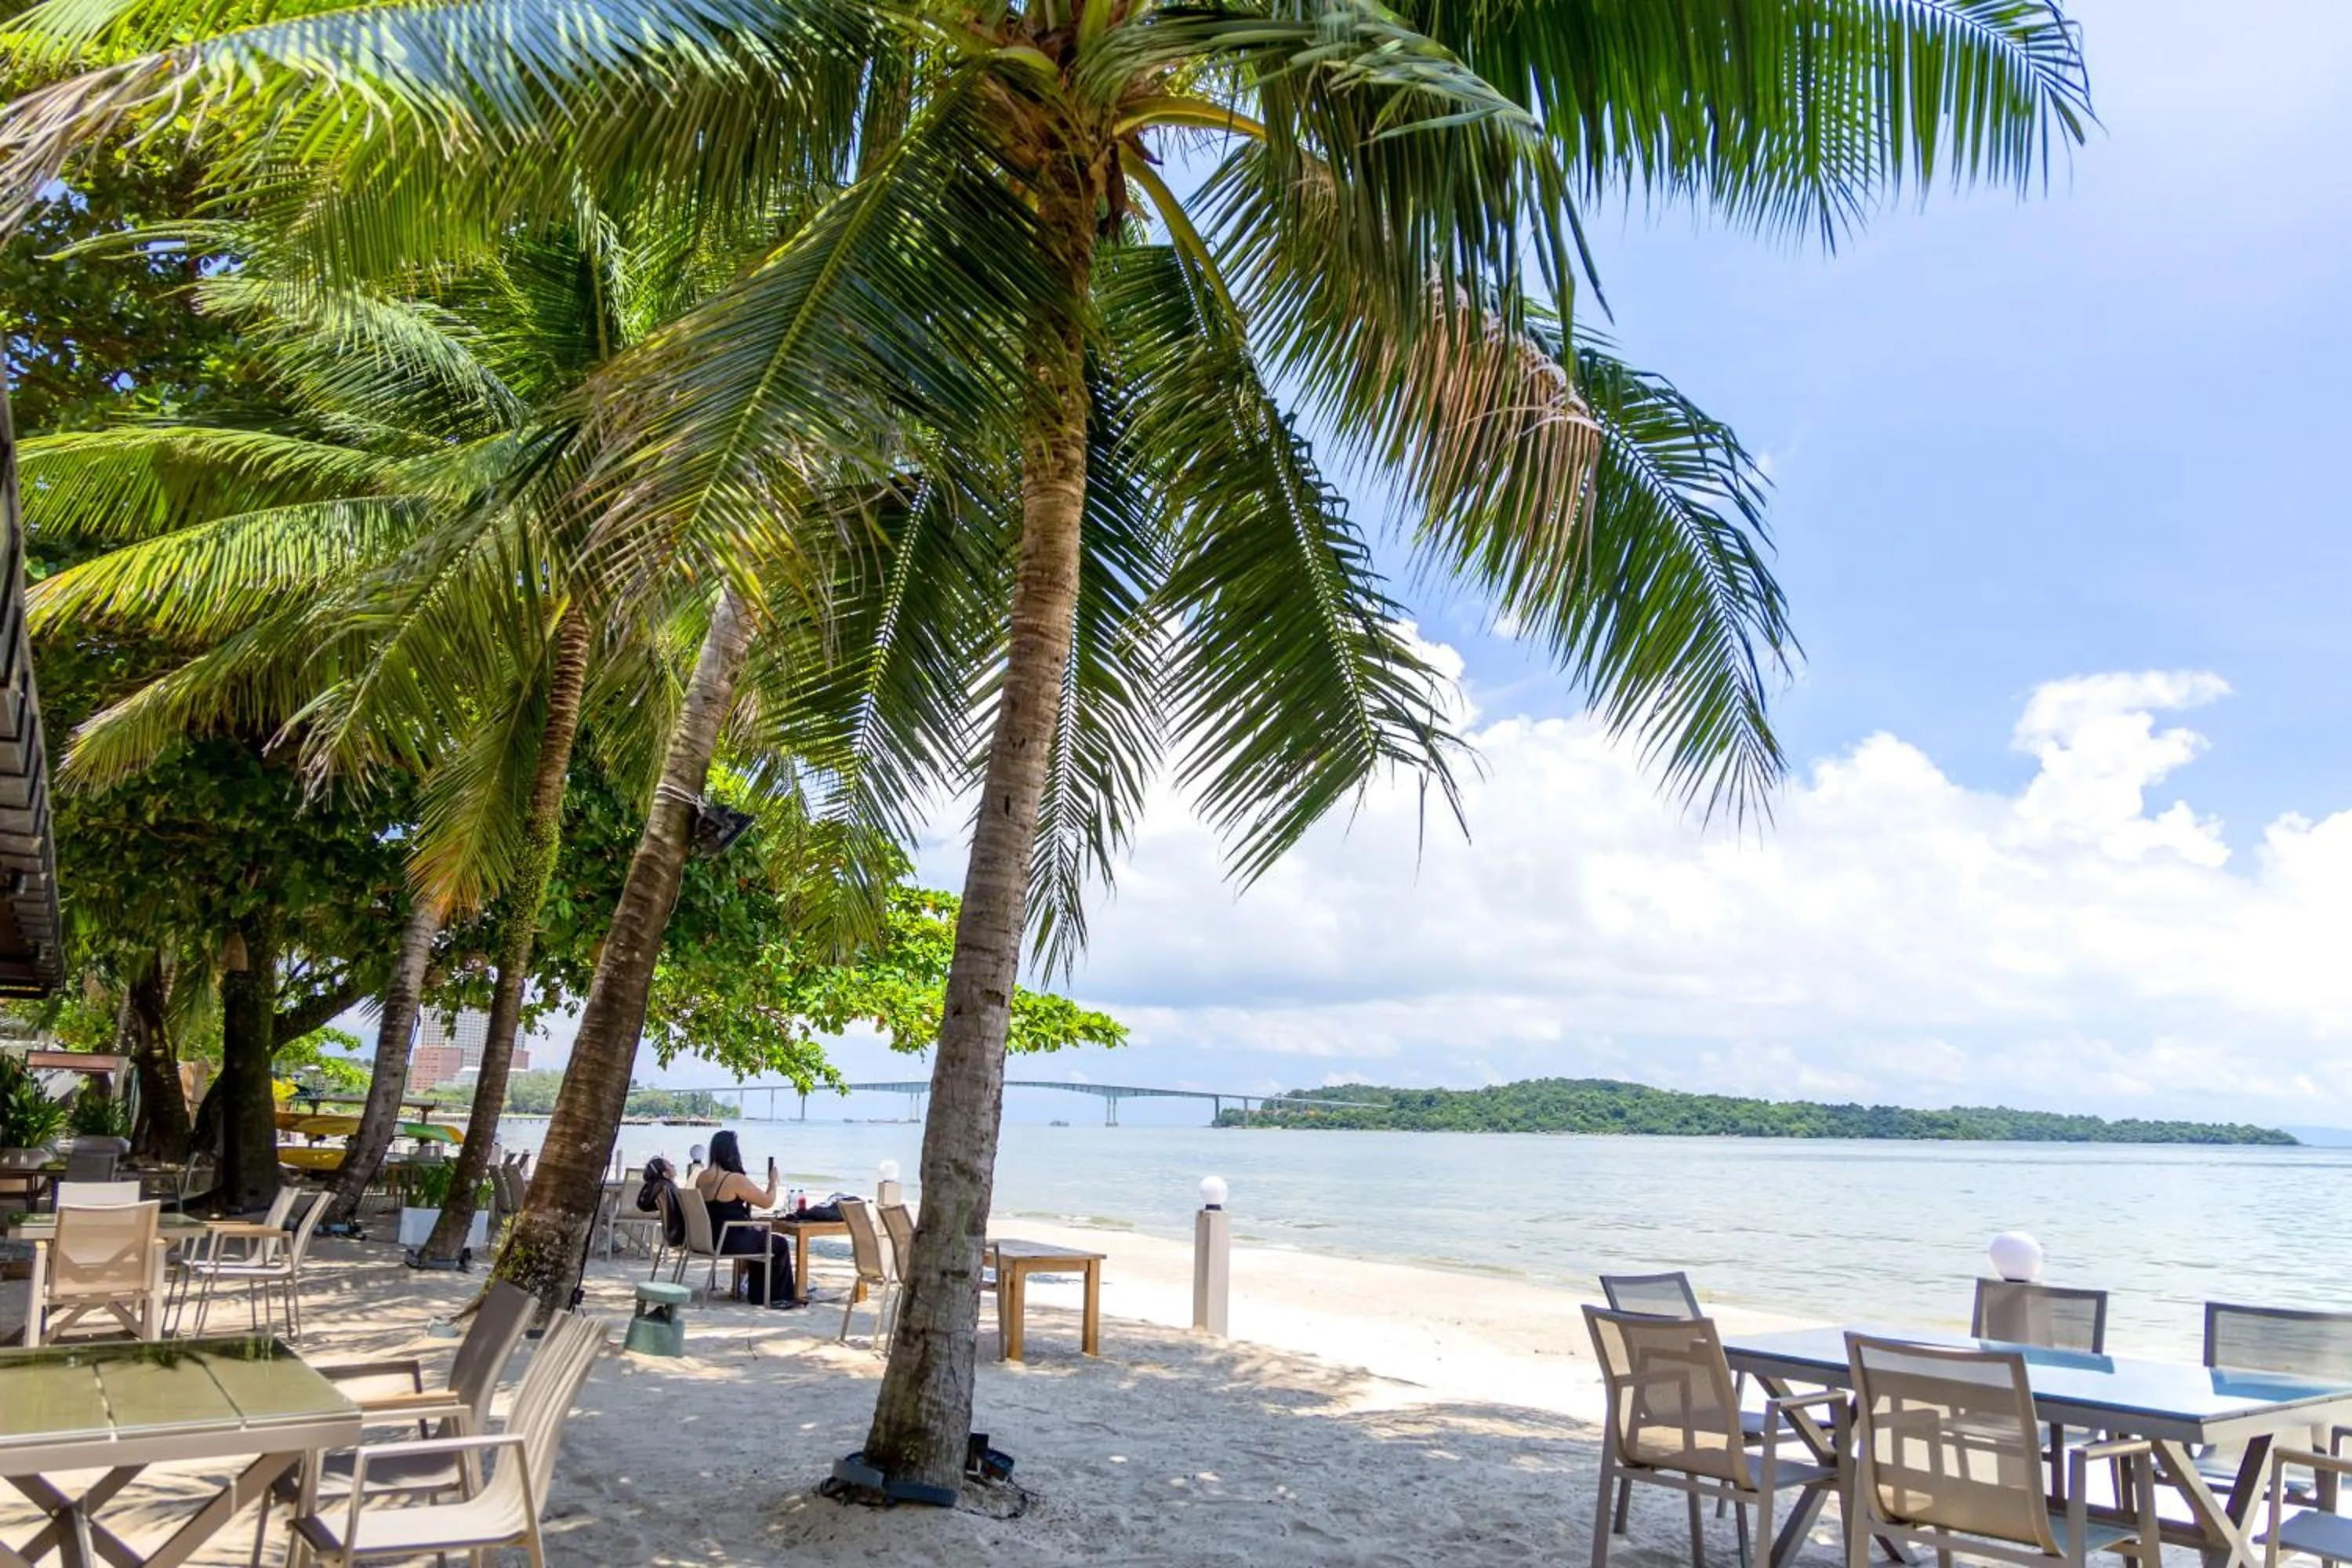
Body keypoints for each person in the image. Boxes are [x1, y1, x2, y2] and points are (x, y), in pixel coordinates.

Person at [693, 1131, 797, 1307]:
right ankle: (778, 1297)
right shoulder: (734, 1179)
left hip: (710, 1238)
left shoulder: (702, 1177)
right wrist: (773, 1182)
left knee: (761, 1237)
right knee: (778, 1244)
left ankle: (759, 1294)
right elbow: (767, 1202)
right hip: (731, 1241)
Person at [635, 1156, 685, 1248]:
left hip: (671, 1234)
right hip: (682, 1235)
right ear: (665, 1174)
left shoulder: (659, 1187)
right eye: (670, 1165)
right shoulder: (669, 1188)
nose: (673, 1166)